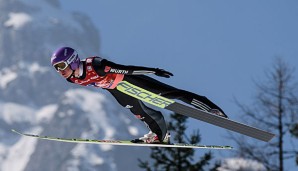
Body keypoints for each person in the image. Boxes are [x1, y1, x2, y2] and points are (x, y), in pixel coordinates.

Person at [50, 47, 227, 144]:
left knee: (170, 94)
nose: (60, 71)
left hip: (129, 80)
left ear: (72, 61)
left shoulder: (95, 65)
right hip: (115, 89)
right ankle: (160, 134)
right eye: (56, 68)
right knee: (139, 112)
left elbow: (126, 69)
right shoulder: (72, 79)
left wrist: (153, 71)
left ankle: (211, 108)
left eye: (61, 66)